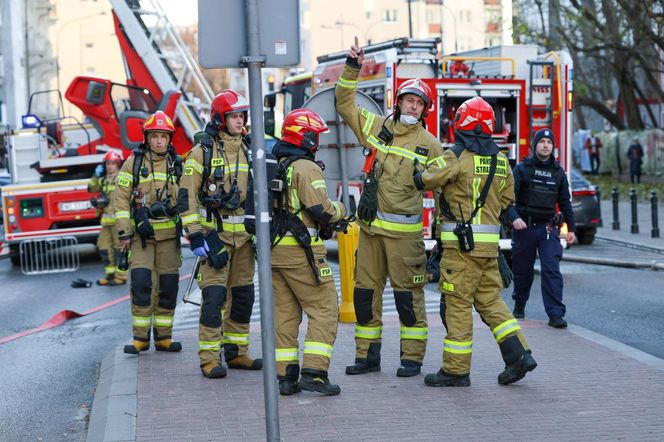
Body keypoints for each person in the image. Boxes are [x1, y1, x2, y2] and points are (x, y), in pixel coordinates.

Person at [336, 37, 444, 378]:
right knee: (365, 296)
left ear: (425, 109)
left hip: (405, 240)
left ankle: (412, 359)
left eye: (418, 103)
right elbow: (344, 104)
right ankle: (368, 356)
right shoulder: (377, 126)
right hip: (369, 233)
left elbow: (443, 193)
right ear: (397, 103)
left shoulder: (431, 146)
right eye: (408, 101)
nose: (412, 107)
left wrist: (443, 235)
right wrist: (353, 66)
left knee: (408, 300)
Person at [413, 96, 537, 387]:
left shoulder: (455, 156)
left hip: (460, 249)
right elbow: (507, 201)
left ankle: (455, 370)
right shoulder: (500, 160)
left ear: (461, 124)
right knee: (491, 301)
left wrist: (418, 168)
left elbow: (425, 180)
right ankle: (520, 354)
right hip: (489, 250)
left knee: (456, 305)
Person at [177, 90, 262, 378]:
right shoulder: (203, 152)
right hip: (215, 239)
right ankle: (209, 359)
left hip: (245, 243)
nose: (239, 121)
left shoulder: (251, 149)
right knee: (213, 299)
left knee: (242, 298)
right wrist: (196, 236)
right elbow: (186, 196)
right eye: (234, 116)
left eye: (242, 116)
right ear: (220, 118)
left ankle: (237, 353)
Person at [268, 108, 347, 395]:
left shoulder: (280, 164)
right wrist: (341, 210)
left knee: (285, 315)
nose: (319, 142)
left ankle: (285, 377)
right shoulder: (306, 167)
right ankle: (314, 373)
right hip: (302, 253)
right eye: (317, 136)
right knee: (325, 309)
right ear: (307, 136)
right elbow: (321, 210)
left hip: (275, 253)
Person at [114, 111, 183, 355]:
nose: (159, 141)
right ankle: (140, 339)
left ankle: (164, 337)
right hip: (141, 238)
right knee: (142, 285)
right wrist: (125, 232)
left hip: (169, 239)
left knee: (168, 286)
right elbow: (121, 200)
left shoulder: (178, 164)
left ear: (169, 139)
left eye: (163, 136)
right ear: (147, 138)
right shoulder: (133, 163)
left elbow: (189, 199)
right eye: (154, 136)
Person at [511, 128, 576, 329]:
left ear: (553, 147)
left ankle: (555, 314)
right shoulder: (522, 169)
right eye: (542, 142)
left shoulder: (558, 173)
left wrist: (571, 229)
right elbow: (506, 199)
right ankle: (519, 305)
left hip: (548, 229)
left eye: (549, 142)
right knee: (523, 272)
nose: (546, 145)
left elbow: (565, 202)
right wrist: (513, 218)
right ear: (535, 145)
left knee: (551, 270)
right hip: (525, 229)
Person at [89, 150, 126, 286]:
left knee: (120, 249)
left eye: (112, 163)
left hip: (119, 222)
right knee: (104, 247)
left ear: (118, 164)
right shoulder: (103, 180)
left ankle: (121, 276)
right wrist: (95, 175)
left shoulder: (122, 178)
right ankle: (110, 275)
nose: (110, 166)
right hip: (106, 222)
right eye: (107, 164)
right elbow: (91, 188)